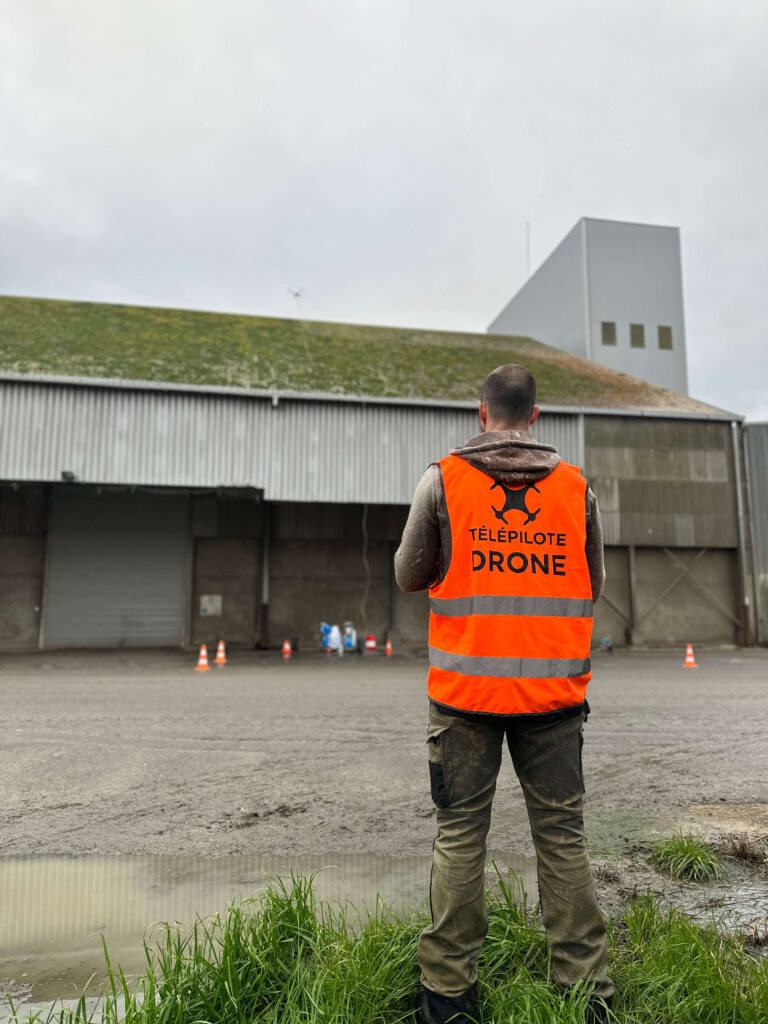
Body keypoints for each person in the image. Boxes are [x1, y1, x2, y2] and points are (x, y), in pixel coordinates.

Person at [395, 364, 614, 1024]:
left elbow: (408, 574)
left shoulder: (442, 480)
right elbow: (592, 582)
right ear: (535, 416)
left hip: (465, 698)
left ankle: (448, 998)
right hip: (554, 698)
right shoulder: (576, 489)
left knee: (461, 836)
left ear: (482, 412)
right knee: (563, 838)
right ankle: (585, 995)